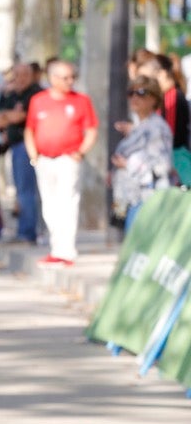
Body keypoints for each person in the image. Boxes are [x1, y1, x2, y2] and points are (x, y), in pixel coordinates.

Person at [25, 58, 97, 267]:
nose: (70, 81)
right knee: (49, 204)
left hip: (68, 159)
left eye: (72, 77)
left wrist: (81, 151)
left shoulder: (81, 100)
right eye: (65, 78)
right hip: (44, 159)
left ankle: (66, 250)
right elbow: (30, 129)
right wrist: (34, 155)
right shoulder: (38, 100)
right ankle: (57, 247)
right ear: (53, 78)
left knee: (68, 201)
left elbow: (91, 130)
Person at [111, 75, 174, 233]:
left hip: (146, 198)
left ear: (154, 98)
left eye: (141, 92)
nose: (134, 97)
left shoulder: (156, 127)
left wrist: (127, 164)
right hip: (130, 197)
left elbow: (162, 165)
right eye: (130, 93)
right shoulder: (140, 126)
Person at [0, 61, 42, 243]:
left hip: (27, 146)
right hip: (15, 146)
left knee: (26, 190)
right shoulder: (11, 94)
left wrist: (12, 116)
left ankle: (27, 232)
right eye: (17, 75)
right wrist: (10, 115)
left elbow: (23, 117)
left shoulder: (35, 94)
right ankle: (25, 229)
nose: (20, 80)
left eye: (24, 75)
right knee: (20, 190)